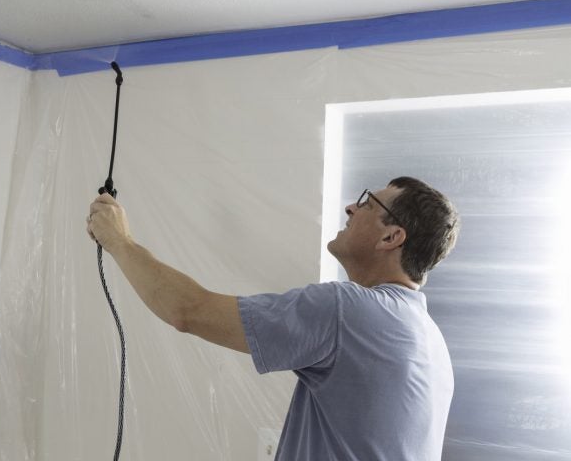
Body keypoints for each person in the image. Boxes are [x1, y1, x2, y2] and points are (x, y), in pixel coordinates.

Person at [87, 176, 460, 460]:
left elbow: (188, 311)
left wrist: (119, 240)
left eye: (368, 203)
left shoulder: (348, 310)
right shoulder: (429, 338)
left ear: (391, 237)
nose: (351, 208)